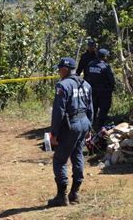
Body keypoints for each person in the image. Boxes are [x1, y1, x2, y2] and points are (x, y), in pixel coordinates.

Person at [49, 57, 93, 207]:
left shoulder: (62, 85)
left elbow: (58, 111)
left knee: (60, 159)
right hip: (84, 123)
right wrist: (89, 128)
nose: (58, 71)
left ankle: (62, 196)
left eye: (60, 69)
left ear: (65, 69)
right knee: (77, 154)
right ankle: (75, 193)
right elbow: (90, 108)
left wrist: (54, 133)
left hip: (71, 125)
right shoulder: (86, 84)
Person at [84, 49, 115, 127]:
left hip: (92, 91)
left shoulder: (90, 64)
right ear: (104, 56)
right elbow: (111, 79)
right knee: (104, 109)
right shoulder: (105, 66)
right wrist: (111, 88)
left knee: (93, 108)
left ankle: (91, 125)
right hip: (104, 92)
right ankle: (100, 127)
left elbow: (86, 76)